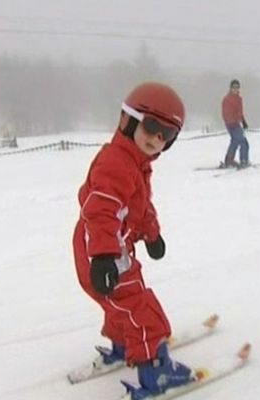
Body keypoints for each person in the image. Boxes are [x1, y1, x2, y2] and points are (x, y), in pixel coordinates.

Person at [72, 82, 194, 399]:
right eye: (151, 126)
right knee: (142, 309)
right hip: (103, 250)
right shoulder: (116, 162)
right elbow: (101, 210)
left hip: (108, 248)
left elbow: (140, 207)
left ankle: (123, 345)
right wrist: (103, 256)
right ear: (128, 121)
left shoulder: (135, 163)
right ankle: (155, 372)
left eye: (165, 134)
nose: (155, 138)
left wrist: (152, 235)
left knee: (120, 306)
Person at [221, 78, 250, 168]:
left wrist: (243, 121)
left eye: (237, 87)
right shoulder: (227, 99)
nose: (235, 89)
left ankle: (229, 160)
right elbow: (225, 113)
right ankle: (244, 161)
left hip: (236, 124)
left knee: (235, 141)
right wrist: (232, 123)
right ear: (230, 88)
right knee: (243, 142)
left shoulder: (239, 99)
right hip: (232, 124)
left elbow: (239, 112)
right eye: (234, 87)